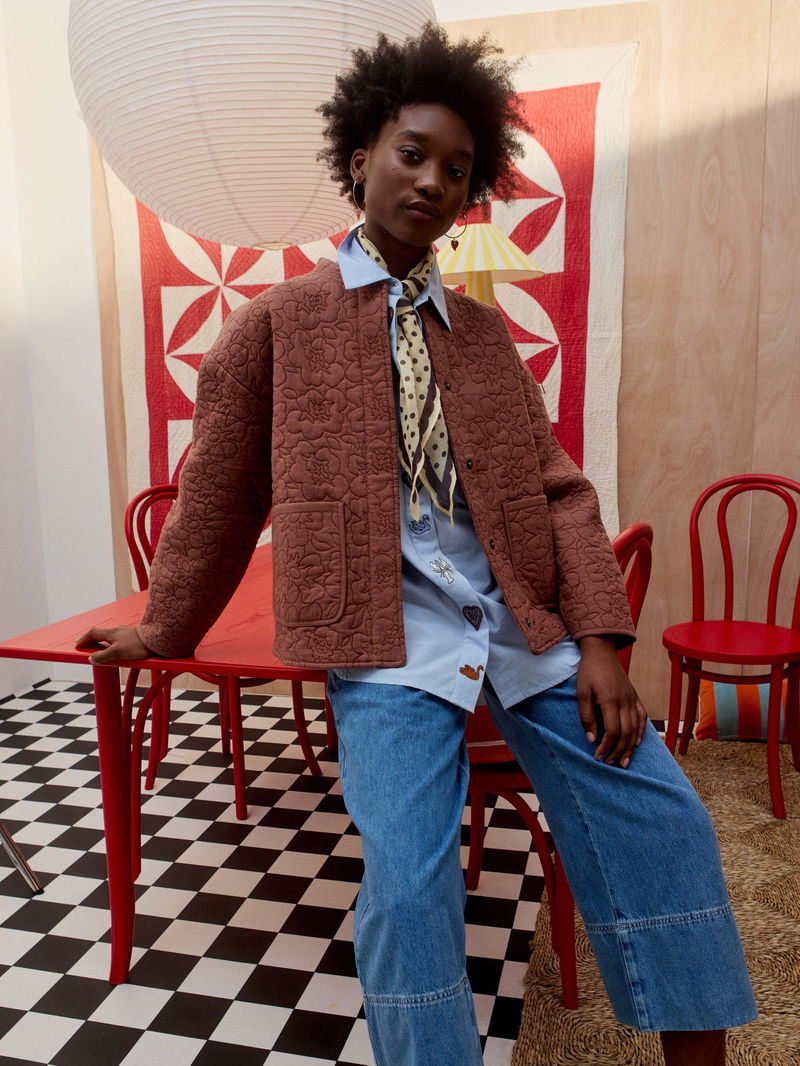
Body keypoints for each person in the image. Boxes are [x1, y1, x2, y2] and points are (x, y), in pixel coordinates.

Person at [80, 24, 756, 1066]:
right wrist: (164, 627)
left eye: (456, 168)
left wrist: (602, 641)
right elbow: (216, 495)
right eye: (411, 153)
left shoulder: (483, 337)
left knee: (664, 818)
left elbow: (559, 491)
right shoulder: (276, 326)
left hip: (523, 625)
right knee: (409, 882)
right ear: (359, 159)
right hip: (384, 646)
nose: (433, 181)